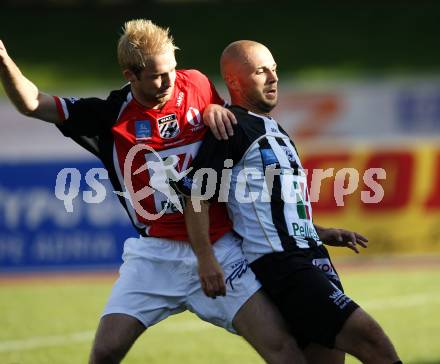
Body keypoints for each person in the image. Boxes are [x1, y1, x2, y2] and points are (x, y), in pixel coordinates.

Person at [0, 22, 307, 364]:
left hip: (218, 246)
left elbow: (229, 132)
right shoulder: (110, 116)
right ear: (130, 74)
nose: (170, 81)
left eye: (172, 70)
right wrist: (3, 60)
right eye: (158, 76)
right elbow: (32, 103)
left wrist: (215, 109)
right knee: (105, 352)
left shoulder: (198, 84)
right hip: (155, 256)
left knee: (281, 347)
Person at [178, 40, 403, 364]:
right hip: (283, 265)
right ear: (234, 81)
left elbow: (273, 203)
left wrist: (318, 231)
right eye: (261, 71)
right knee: (373, 341)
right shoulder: (230, 128)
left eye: (274, 69)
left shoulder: (276, 129)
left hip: (310, 253)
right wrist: (206, 258)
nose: (273, 78)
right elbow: (196, 195)